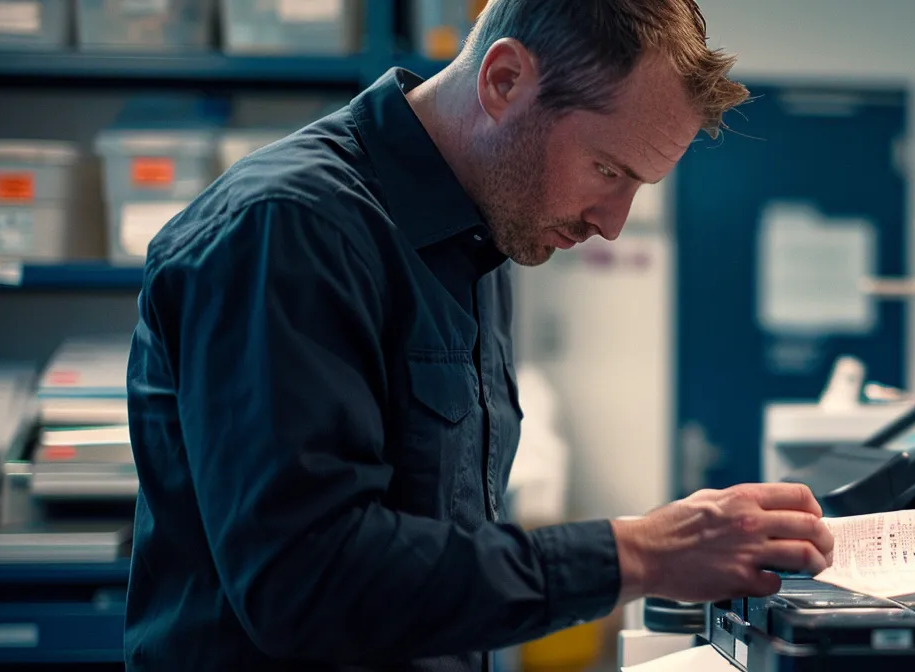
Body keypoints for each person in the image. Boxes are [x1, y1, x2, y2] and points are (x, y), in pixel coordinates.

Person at [122, 1, 834, 669]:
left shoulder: (481, 242)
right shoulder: (289, 228)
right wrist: (636, 552)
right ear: (504, 80)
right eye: (608, 169)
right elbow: (305, 582)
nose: (612, 221)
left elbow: (439, 552)